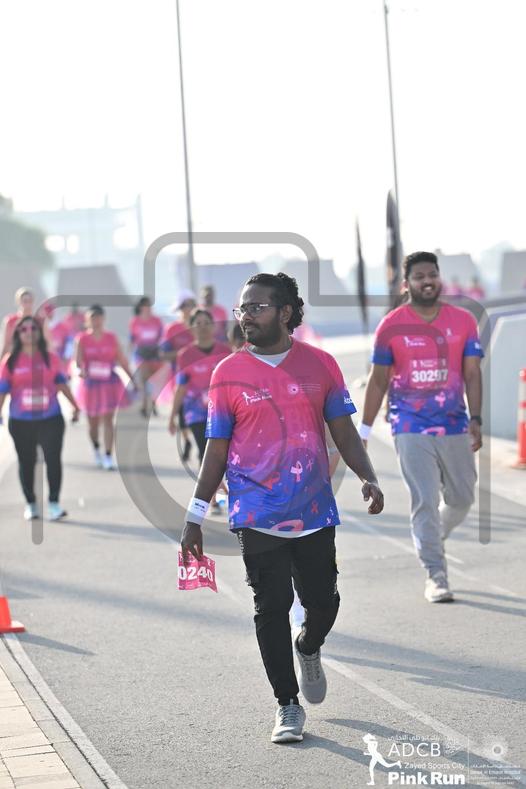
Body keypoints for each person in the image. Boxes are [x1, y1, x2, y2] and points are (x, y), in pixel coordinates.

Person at [181, 272, 384, 744]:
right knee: (271, 606)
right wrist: (195, 514)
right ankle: (287, 703)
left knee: (323, 602)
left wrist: (367, 476)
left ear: (285, 312)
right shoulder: (227, 373)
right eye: (242, 309)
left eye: (256, 307)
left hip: (313, 508)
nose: (245, 317)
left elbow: (343, 430)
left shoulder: (321, 364)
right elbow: (215, 449)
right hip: (254, 512)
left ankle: (308, 644)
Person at [360, 251, 483, 603]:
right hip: (409, 424)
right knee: (425, 500)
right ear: (406, 284)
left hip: (454, 423)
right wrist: (364, 432)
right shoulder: (391, 326)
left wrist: (476, 419)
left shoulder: (463, 321)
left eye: (432, 274)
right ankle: (435, 574)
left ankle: (432, 535)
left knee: (462, 497)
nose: (427, 281)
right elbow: (378, 380)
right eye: (419, 276)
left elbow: (472, 373)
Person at [0, 316, 80, 520]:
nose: (29, 332)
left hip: (50, 418)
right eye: (24, 329)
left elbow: (61, 384)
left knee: (53, 460)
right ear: (18, 334)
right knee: (27, 462)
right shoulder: (10, 360)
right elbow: (2, 390)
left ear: (40, 332)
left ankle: (54, 503)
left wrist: (75, 406)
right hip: (21, 421)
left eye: (33, 328)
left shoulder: (51, 358)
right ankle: (31, 503)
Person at [168, 309, 231, 511]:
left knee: (225, 453)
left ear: (213, 326)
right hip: (196, 412)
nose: (202, 327)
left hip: (222, 411)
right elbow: (181, 386)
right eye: (198, 323)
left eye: (206, 322)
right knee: (206, 452)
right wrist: (172, 416)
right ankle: (212, 498)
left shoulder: (225, 351)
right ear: (191, 328)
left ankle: (222, 490)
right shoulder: (185, 355)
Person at [74, 305, 135, 470]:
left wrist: (133, 380)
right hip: (91, 385)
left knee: (108, 420)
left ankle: (108, 455)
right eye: (92, 318)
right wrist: (81, 371)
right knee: (93, 423)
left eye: (99, 318)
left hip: (109, 384)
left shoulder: (111, 338)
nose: (96, 321)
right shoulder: (82, 339)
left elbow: (122, 360)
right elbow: (78, 362)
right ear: (87, 320)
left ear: (103, 319)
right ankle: (96, 449)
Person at [160, 290, 197, 460]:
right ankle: (186, 439)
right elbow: (164, 354)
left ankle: (200, 443)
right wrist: (182, 354)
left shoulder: (201, 326)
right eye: (184, 306)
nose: (188, 309)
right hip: (180, 376)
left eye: (190, 305)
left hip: (202, 378)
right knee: (181, 414)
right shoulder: (172, 329)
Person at [129, 297, 164, 417]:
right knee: (144, 380)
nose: (148, 308)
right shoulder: (135, 321)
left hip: (154, 353)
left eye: (149, 305)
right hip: (141, 353)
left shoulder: (157, 321)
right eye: (145, 305)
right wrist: (130, 355)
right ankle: (144, 405)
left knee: (153, 380)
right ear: (140, 307)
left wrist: (161, 351)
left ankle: (153, 403)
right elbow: (132, 339)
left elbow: (161, 337)